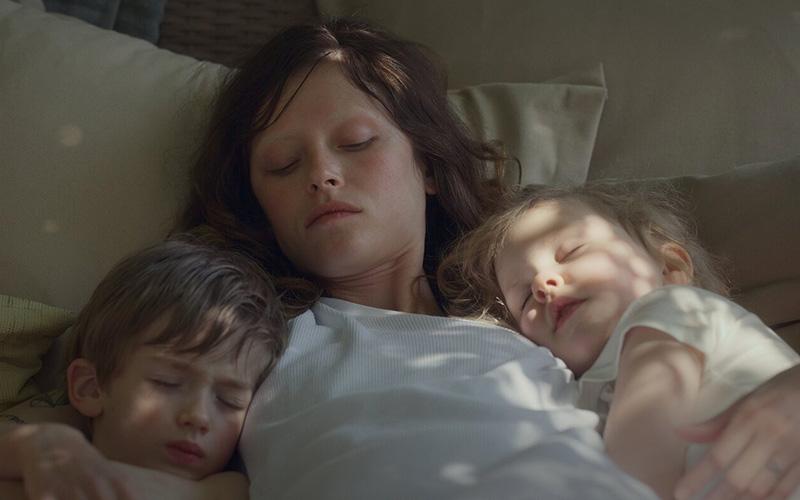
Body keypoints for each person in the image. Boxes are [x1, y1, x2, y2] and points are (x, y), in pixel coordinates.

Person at [2, 17, 800, 500]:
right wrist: (44, 445)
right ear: (259, 207)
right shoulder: (254, 339)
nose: (322, 174)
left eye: (356, 143)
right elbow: (123, 417)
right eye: (283, 164)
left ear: (428, 166)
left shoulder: (541, 319)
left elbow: (702, 312)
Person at [437, 181, 800, 498]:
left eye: (572, 252)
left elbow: (642, 469)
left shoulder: (670, 309)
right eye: (526, 298)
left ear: (669, 267)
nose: (544, 283)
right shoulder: (579, 393)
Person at [1, 237, 287, 499]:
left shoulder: (234, 487)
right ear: (90, 388)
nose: (199, 416)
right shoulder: (39, 469)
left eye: (229, 401)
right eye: (168, 382)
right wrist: (36, 444)